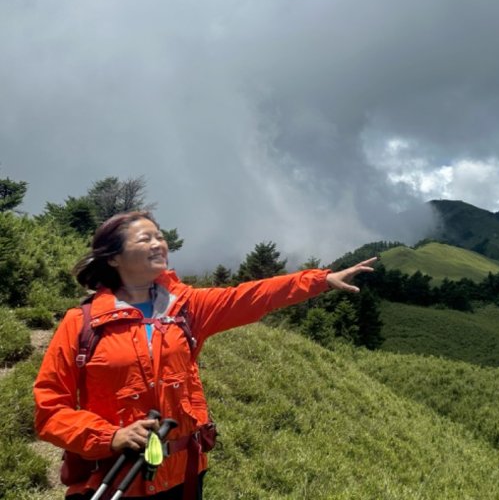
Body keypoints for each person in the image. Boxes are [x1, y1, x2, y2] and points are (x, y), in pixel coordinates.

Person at [34, 210, 377, 500]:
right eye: (145, 239)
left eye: (160, 236)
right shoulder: (82, 324)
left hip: (184, 476)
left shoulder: (187, 308)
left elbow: (252, 296)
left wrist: (321, 279)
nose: (159, 244)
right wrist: (111, 437)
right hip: (116, 475)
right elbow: (50, 410)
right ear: (114, 257)